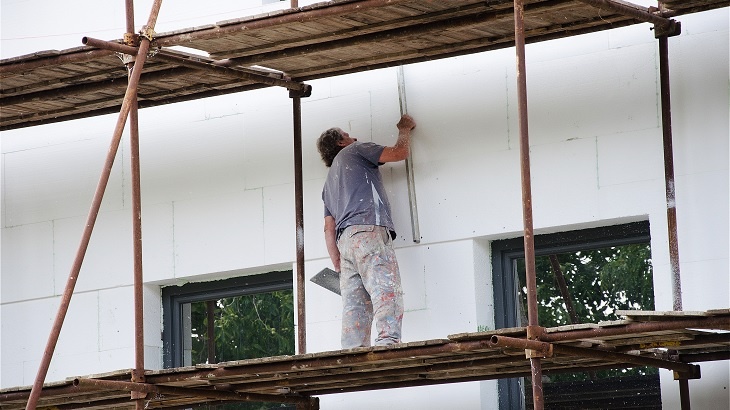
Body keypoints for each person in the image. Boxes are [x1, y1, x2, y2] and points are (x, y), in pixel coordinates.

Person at [317, 114, 416, 349]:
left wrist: (338, 264)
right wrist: (404, 129)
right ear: (341, 143)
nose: (355, 137)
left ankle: (352, 350)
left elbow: (328, 228)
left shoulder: (328, 184)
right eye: (348, 136)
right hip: (368, 230)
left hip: (345, 243)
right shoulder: (356, 150)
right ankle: (387, 340)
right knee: (384, 286)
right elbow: (399, 153)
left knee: (355, 304)